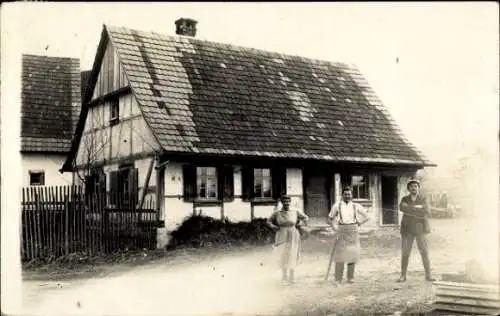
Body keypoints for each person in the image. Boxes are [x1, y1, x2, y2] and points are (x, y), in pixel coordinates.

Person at [327, 186, 369, 284]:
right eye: (345, 194)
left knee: (352, 254)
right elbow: (329, 218)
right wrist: (334, 228)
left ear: (352, 195)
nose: (347, 196)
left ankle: (350, 277)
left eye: (349, 194)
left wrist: (360, 223)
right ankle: (338, 279)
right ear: (342, 195)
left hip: (353, 231)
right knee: (340, 255)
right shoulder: (337, 205)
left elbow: (367, 217)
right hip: (341, 230)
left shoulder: (356, 206)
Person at [397, 179, 435, 282]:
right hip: (407, 229)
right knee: (405, 252)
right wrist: (417, 208)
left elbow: (426, 210)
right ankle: (403, 275)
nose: (413, 188)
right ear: (408, 189)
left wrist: (410, 208)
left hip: (420, 228)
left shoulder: (424, 198)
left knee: (424, 252)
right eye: (411, 186)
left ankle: (428, 275)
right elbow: (401, 208)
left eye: (415, 186)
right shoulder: (404, 198)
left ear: (419, 188)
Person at [267, 195, 309, 285]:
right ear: (282, 202)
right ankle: (284, 277)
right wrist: (273, 226)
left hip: (293, 234)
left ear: (290, 202)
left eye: (288, 201)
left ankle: (292, 277)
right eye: (284, 201)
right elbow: (268, 221)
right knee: (283, 254)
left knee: (292, 254)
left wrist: (300, 224)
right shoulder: (277, 212)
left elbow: (306, 218)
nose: (286, 203)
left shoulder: (295, 211)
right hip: (281, 233)